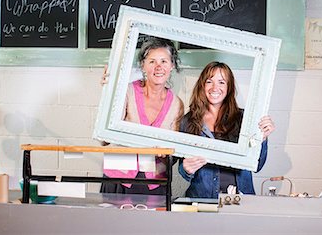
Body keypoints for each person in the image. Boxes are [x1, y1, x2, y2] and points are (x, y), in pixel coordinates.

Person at [178, 61, 275, 198]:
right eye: (209, 81)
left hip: (240, 202)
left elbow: (257, 165)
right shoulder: (188, 121)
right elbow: (181, 171)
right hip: (202, 202)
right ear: (202, 85)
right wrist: (186, 169)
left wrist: (262, 138)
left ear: (229, 87)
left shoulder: (244, 120)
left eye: (222, 82)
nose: (215, 87)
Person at [101, 36, 184, 195]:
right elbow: (104, 139)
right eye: (152, 61)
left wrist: (167, 153)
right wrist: (108, 93)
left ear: (172, 65)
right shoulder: (125, 91)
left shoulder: (176, 104)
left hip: (155, 182)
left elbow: (174, 152)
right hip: (117, 178)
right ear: (143, 65)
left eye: (164, 61)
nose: (158, 67)